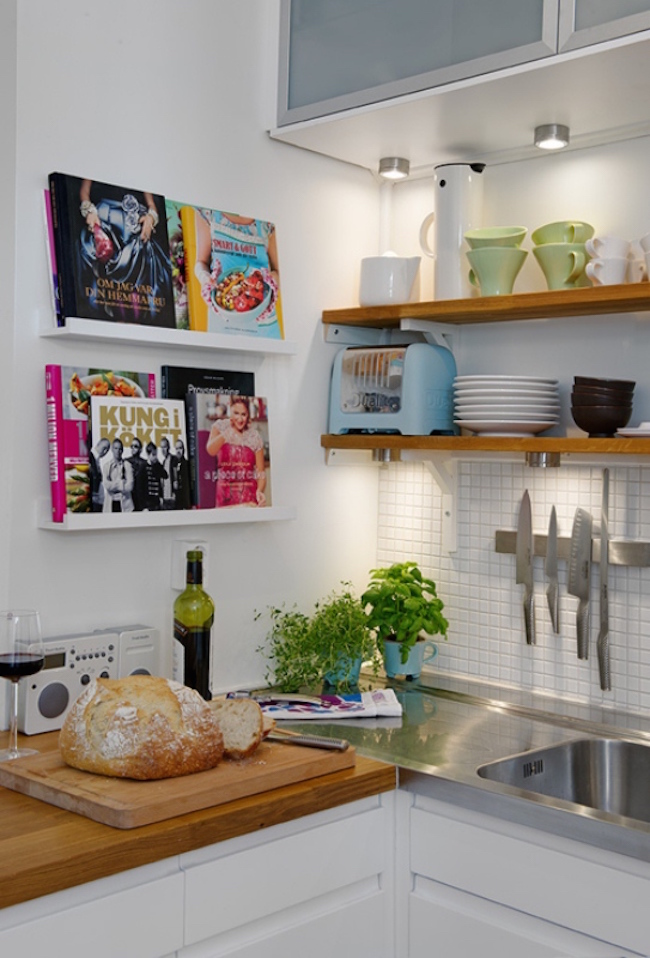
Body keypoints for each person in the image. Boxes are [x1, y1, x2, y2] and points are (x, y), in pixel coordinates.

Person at [77, 178, 174, 326]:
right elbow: (84, 192)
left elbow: (152, 206)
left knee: (142, 255)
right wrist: (90, 212)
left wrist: (150, 218)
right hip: (106, 219)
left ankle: (137, 319)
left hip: (135, 222)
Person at [205, 397, 267, 508]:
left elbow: (261, 473)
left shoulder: (254, 437)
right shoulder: (220, 427)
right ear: (230, 410)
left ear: (248, 415)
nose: (240, 419)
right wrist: (226, 433)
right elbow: (211, 450)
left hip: (248, 499)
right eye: (236, 413)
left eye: (243, 414)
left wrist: (260, 491)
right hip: (224, 497)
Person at [102, 438, 134, 513]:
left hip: (125, 505)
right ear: (112, 450)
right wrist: (122, 483)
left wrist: (113, 485)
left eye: (120, 449)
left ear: (122, 451)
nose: (118, 451)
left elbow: (130, 486)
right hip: (110, 503)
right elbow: (106, 485)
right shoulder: (106, 466)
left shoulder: (127, 465)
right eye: (116, 448)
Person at [134, 442, 167, 511]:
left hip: (156, 501)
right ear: (148, 455)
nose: (155, 457)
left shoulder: (157, 466)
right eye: (153, 454)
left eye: (156, 454)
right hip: (147, 502)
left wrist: (157, 464)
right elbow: (139, 488)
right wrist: (143, 506)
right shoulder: (143, 467)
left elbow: (165, 475)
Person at [89, 437, 111, 512]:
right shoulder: (90, 457)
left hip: (98, 498)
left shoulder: (97, 460)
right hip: (93, 498)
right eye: (104, 448)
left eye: (107, 450)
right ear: (98, 445)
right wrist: (94, 493)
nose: (105, 451)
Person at [126, 437, 146, 511]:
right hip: (129, 499)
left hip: (141, 499)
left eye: (136, 446)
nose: (133, 448)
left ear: (140, 449)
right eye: (132, 446)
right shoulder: (126, 461)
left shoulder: (144, 463)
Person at [172, 439, 192, 509]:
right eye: (177, 448)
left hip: (185, 499)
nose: (178, 451)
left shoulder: (187, 464)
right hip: (176, 500)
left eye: (180, 448)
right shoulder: (173, 464)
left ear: (184, 449)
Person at [159, 437, 176, 510]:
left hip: (172, 496)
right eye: (161, 447)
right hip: (165, 497)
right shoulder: (163, 462)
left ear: (168, 447)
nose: (163, 450)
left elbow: (175, 477)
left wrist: (175, 493)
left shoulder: (173, 459)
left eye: (164, 447)